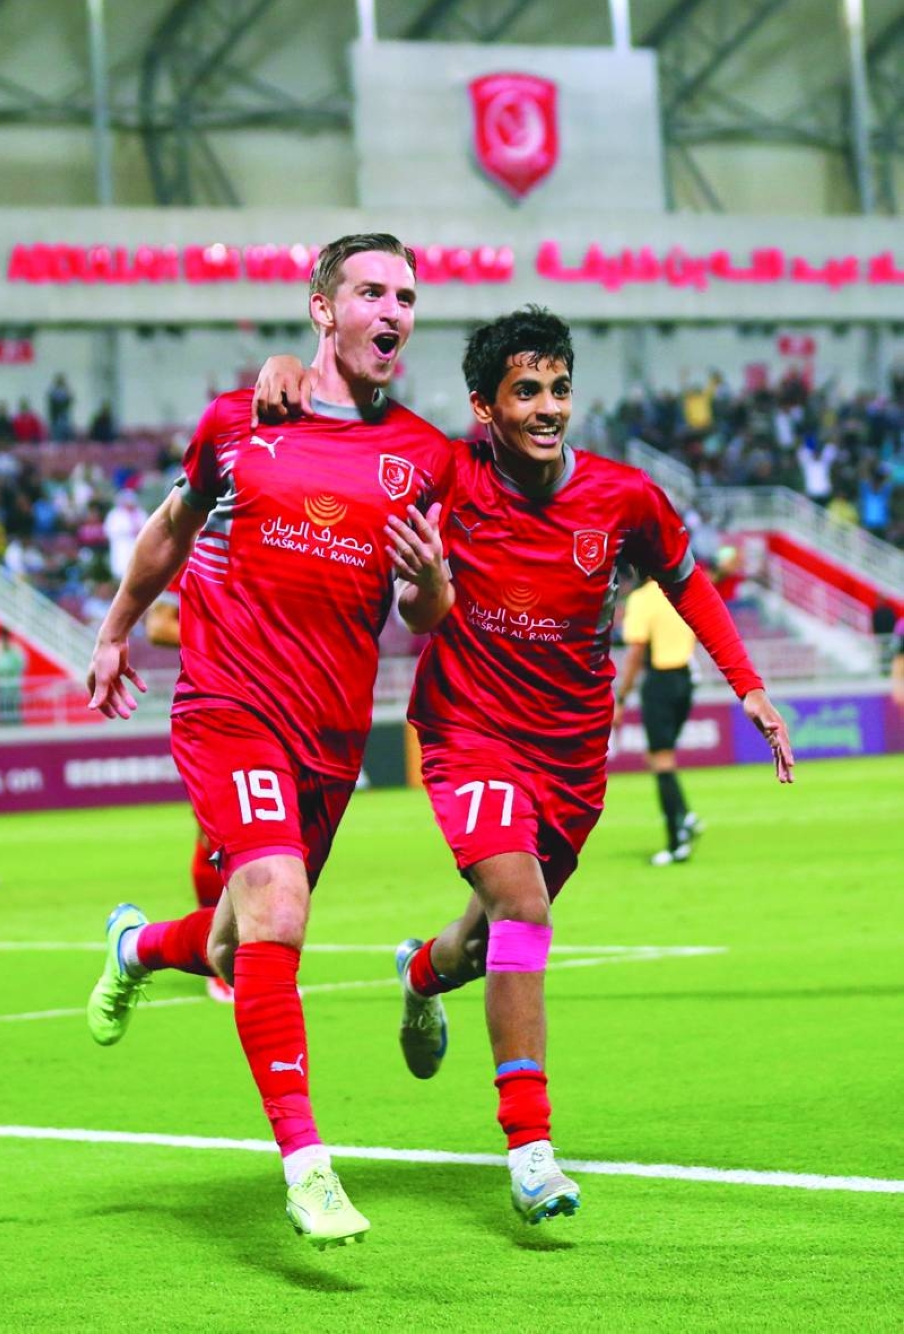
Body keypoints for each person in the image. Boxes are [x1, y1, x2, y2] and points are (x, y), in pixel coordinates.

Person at [254, 307, 793, 1228]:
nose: (548, 408)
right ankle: (530, 1149)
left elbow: (688, 580)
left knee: (488, 940)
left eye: (559, 389)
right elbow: (350, 420)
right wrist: (283, 372)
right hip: (468, 733)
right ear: (484, 408)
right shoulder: (445, 472)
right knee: (523, 906)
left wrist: (746, 683)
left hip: (574, 754)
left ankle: (422, 974)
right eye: (527, 392)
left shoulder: (623, 499)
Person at [84, 233, 455, 1249]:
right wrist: (117, 627)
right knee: (278, 904)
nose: (394, 310)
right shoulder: (242, 419)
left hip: (330, 734)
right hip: (228, 702)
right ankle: (308, 1167)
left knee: (229, 938)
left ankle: (133, 944)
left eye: (408, 296)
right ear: (323, 309)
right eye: (372, 291)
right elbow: (170, 524)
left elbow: (426, 610)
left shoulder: (425, 456)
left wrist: (428, 577)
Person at [143, 584, 233, 1003]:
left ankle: (245, 950)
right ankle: (219, 961)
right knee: (215, 833)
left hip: (272, 705)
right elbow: (158, 627)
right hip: (213, 708)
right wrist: (232, 639)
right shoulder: (195, 549)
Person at [614, 574, 703, 865]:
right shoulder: (679, 593)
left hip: (660, 681)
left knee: (661, 760)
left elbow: (636, 651)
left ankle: (677, 843)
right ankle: (685, 817)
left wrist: (622, 697)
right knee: (661, 757)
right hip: (686, 679)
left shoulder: (642, 599)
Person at [0, 628, 27, 725]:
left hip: (13, 685)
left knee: (14, 707)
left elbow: (22, 664)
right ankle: (3, 724)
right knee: (3, 707)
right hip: (1, 684)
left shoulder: (15, 647)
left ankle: (15, 723)